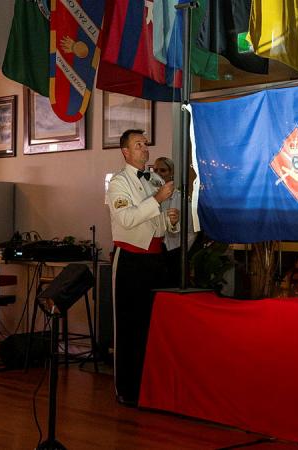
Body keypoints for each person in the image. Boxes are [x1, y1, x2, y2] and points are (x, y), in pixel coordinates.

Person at [106, 129, 179, 407]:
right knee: (129, 326)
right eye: (138, 145)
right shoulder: (118, 182)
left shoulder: (155, 179)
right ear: (125, 151)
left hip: (156, 259)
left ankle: (152, 387)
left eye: (145, 144)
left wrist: (170, 219)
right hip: (131, 260)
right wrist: (158, 200)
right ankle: (127, 389)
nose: (144, 149)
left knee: (153, 325)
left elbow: (159, 223)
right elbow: (126, 219)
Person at [153, 156, 198, 286]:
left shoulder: (182, 198)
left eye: (163, 170)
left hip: (176, 252)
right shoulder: (150, 198)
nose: (158, 174)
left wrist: (181, 250)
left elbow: (191, 230)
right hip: (154, 251)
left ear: (171, 172)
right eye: (155, 170)